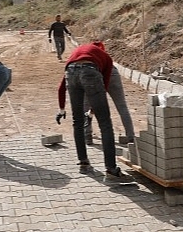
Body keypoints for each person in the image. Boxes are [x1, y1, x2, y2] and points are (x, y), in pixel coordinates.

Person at [56, 43, 131, 181]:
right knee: (105, 124)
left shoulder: (75, 54)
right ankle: (111, 170)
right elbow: (105, 84)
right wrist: (93, 110)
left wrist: (61, 109)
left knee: (77, 121)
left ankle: (83, 163)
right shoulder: (107, 59)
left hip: (70, 72)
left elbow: (61, 87)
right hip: (89, 72)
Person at [83, 41, 136, 145]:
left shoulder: (88, 59)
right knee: (122, 106)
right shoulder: (106, 57)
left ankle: (87, 136)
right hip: (113, 74)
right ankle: (130, 136)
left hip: (94, 74)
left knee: (86, 105)